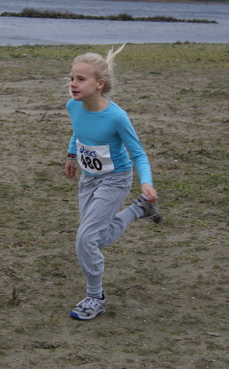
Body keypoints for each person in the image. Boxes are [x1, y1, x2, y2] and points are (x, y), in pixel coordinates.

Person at [64, 44, 161, 321]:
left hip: (115, 179)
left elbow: (139, 153)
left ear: (99, 84)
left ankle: (95, 297)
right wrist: (72, 154)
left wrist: (146, 182)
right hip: (89, 179)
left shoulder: (117, 117)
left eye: (81, 79)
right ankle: (138, 210)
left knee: (85, 239)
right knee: (98, 238)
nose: (73, 84)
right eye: (72, 78)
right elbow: (78, 131)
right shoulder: (74, 105)